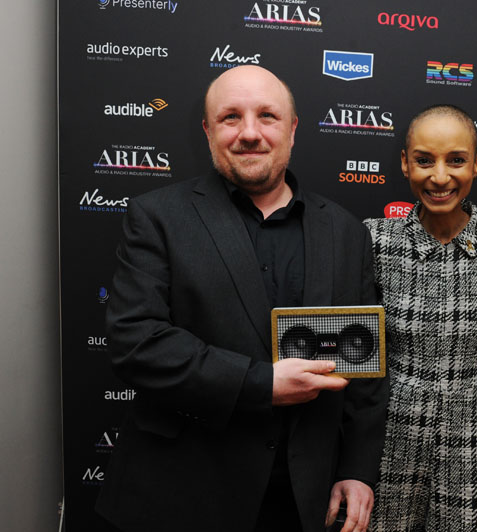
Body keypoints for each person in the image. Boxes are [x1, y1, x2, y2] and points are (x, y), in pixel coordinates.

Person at [95, 65, 389, 532]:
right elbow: (137, 343)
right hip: (182, 496)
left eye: (267, 116)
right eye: (230, 117)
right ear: (207, 130)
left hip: (301, 503)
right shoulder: (157, 217)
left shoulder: (345, 230)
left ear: (292, 129)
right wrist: (260, 384)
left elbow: (364, 364)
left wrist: (356, 469)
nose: (249, 133)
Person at [364, 105, 477, 531]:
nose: (440, 176)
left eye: (456, 160)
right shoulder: (375, 240)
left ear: (476, 163)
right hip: (390, 439)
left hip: (473, 442)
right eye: (424, 160)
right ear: (405, 163)